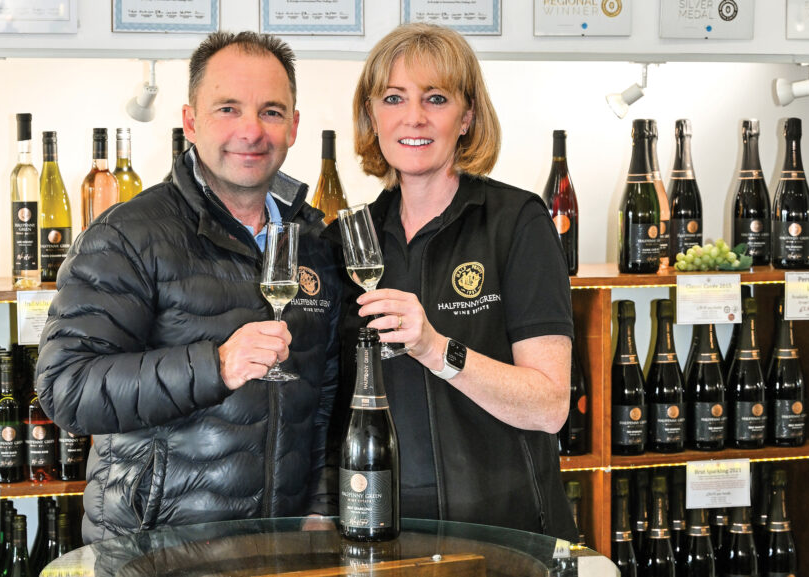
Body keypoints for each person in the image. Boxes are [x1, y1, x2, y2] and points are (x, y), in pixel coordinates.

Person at [37, 31, 341, 544]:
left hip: (278, 549)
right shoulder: (126, 235)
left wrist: (321, 504)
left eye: (270, 111)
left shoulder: (313, 242)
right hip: (153, 551)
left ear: (293, 127)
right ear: (191, 121)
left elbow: (326, 396)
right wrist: (215, 365)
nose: (251, 130)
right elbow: (66, 388)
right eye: (228, 108)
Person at [318, 23, 578, 540]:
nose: (414, 117)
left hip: (506, 534)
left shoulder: (516, 223)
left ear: (467, 117)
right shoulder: (348, 242)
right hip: (385, 532)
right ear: (372, 116)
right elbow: (331, 404)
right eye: (394, 98)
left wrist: (436, 348)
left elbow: (550, 407)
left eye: (435, 98)